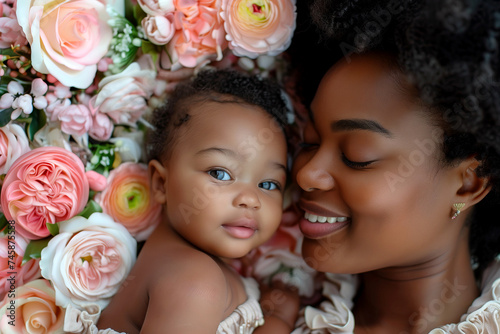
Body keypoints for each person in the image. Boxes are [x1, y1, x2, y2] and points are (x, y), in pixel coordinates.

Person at [287, 0, 500, 333]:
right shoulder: (253, 311)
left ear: (468, 184)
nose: (306, 173)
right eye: (310, 141)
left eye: (358, 157)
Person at [73, 69, 300, 333]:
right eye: (220, 173)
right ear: (161, 183)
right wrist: (278, 323)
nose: (250, 199)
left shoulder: (180, 265)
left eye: (269, 184)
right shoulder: (194, 281)